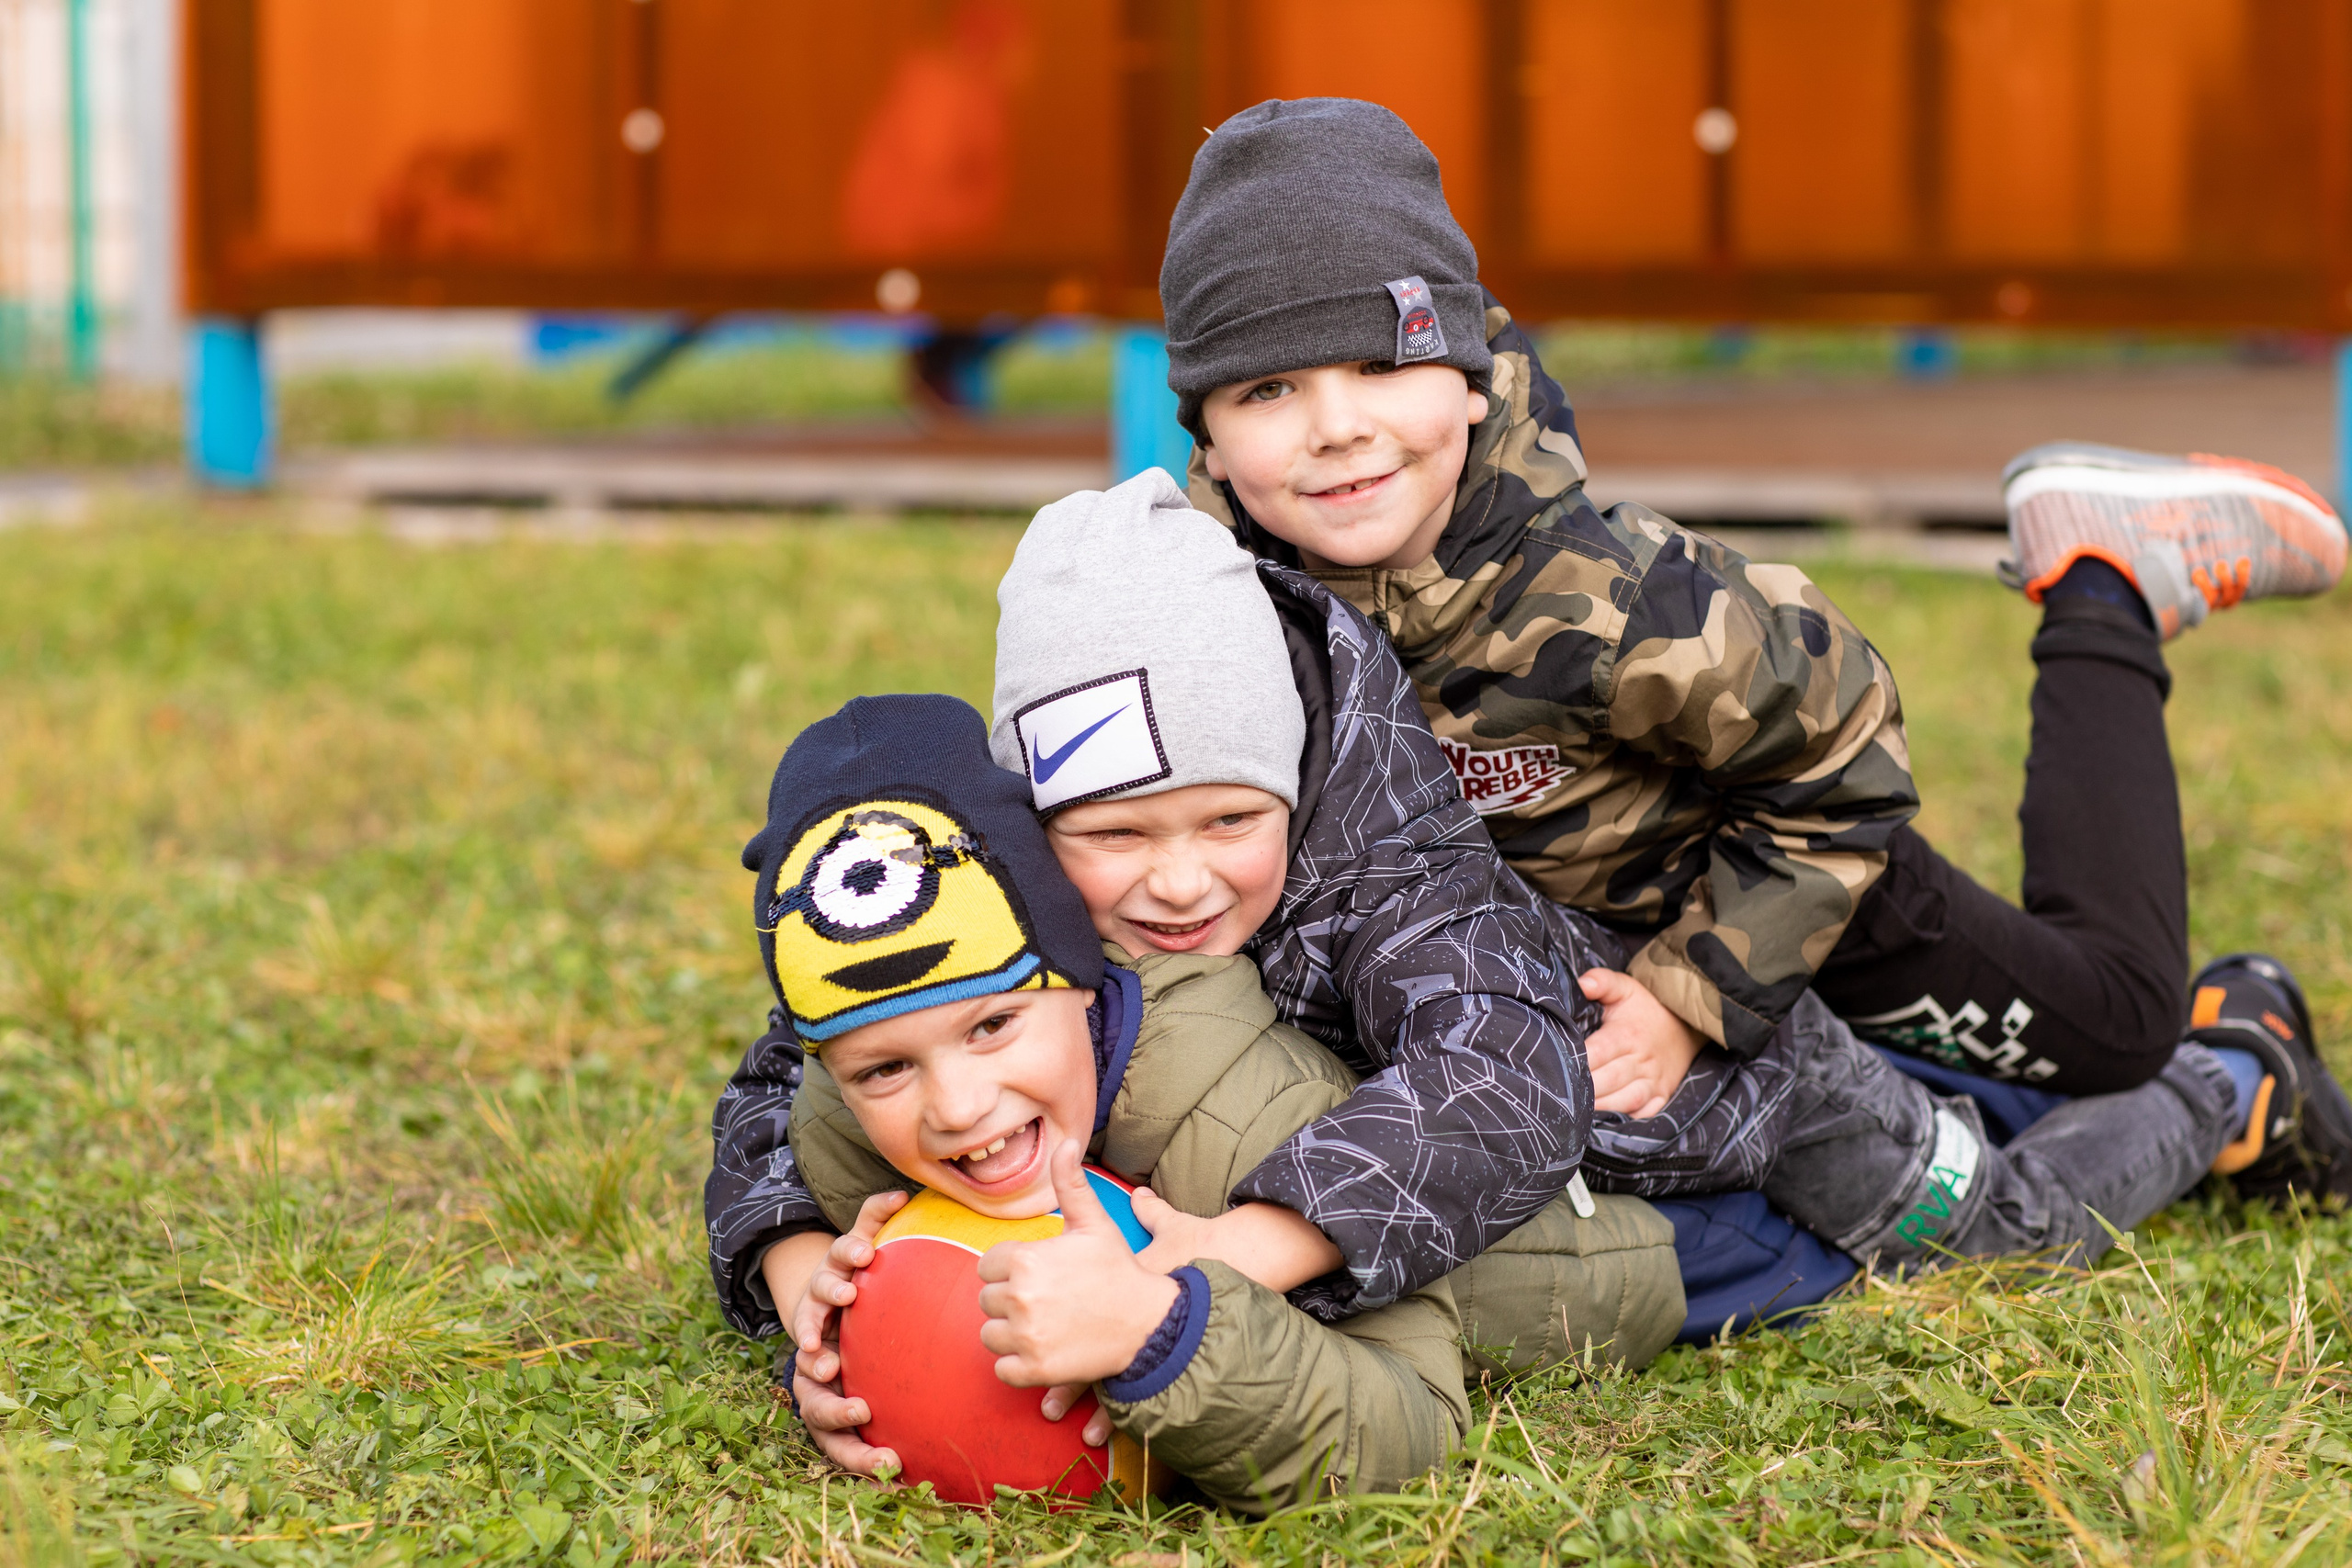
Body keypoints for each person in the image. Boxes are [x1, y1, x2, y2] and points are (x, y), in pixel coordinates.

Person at [1155, 96, 2352, 1200]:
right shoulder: (1221, 602)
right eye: (1269, 388)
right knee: (1963, 1105)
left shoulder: (1615, 598)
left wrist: (1698, 990)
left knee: (2117, 1029)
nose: (1338, 425)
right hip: (1595, 949)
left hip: (1800, 903)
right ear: (1203, 423)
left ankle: (2107, 584)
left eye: (1381, 362)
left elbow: (1847, 756)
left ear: (1468, 379)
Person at [986, 470, 2254, 1324]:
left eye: (1229, 820)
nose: (1180, 875)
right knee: (1998, 1092)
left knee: (2003, 1220)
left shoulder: (1401, 891)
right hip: (1662, 1092)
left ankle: (2231, 1061)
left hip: (1766, 1081)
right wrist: (797, 1245)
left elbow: (1500, 1083)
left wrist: (1253, 1247)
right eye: (1113, 832)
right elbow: (851, 1024)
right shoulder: (1036, 848)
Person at [741, 693, 1681, 1513]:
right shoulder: (840, 1113)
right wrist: (824, 1334)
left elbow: (1408, 1429)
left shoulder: (1250, 1110)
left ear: (1076, 977)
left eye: (992, 1027)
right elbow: (760, 1127)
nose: (953, 1105)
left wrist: (1163, 1337)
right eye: (883, 1070)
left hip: (1611, 1240)